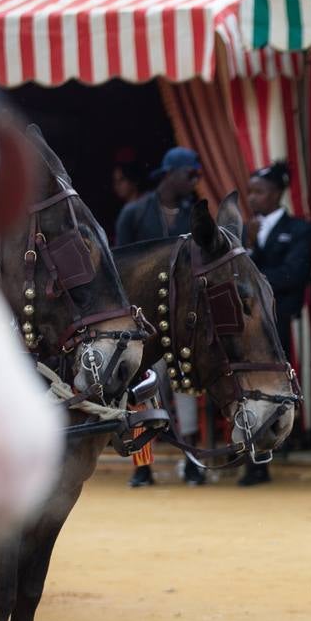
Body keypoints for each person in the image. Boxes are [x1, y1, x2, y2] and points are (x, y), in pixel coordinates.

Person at [116, 146, 206, 487]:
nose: (195, 181)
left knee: (186, 390)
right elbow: (120, 270)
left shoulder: (195, 216)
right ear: (171, 174)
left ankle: (193, 461)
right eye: (191, 174)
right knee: (141, 392)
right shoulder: (135, 213)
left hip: (180, 321)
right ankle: (142, 467)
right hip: (144, 323)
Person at [239, 162, 311, 487]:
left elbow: (293, 275)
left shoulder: (298, 229)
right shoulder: (243, 230)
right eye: (251, 192)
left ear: (278, 193)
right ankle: (249, 455)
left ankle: (274, 447)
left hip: (280, 320)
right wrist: (250, 246)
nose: (254, 198)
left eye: (260, 192)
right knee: (245, 389)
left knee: (273, 388)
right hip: (245, 322)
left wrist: (253, 277)